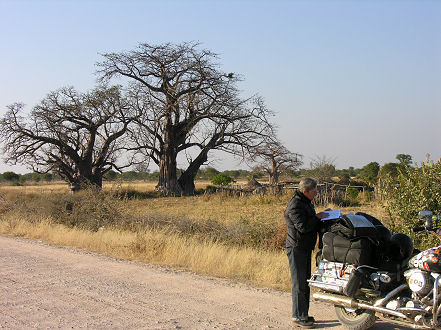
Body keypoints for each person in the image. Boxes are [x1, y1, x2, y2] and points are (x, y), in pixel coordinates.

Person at [285, 178, 329, 328]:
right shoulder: (295, 205)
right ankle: (297, 316)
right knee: (299, 284)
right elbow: (303, 227)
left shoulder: (305, 202)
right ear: (305, 191)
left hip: (305, 247)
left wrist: (323, 216)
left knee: (305, 282)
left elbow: (311, 221)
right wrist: (318, 217)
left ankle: (303, 314)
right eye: (314, 191)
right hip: (296, 248)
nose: (316, 194)